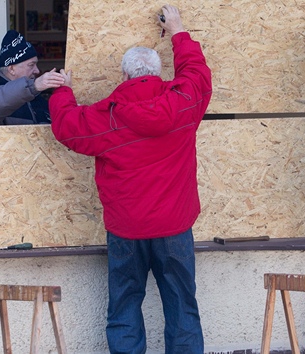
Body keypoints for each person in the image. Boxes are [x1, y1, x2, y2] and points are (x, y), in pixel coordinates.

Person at [49, 5, 212, 353]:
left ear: (124, 77)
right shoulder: (182, 103)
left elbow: (66, 127)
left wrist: (63, 89)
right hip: (174, 228)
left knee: (124, 310)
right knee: (182, 308)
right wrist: (178, 31)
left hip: (126, 231)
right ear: (157, 74)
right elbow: (196, 73)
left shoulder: (107, 117)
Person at [0, 30, 65, 126]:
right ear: (11, 69)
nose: (37, 71)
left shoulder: (39, 101)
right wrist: (33, 86)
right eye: (31, 65)